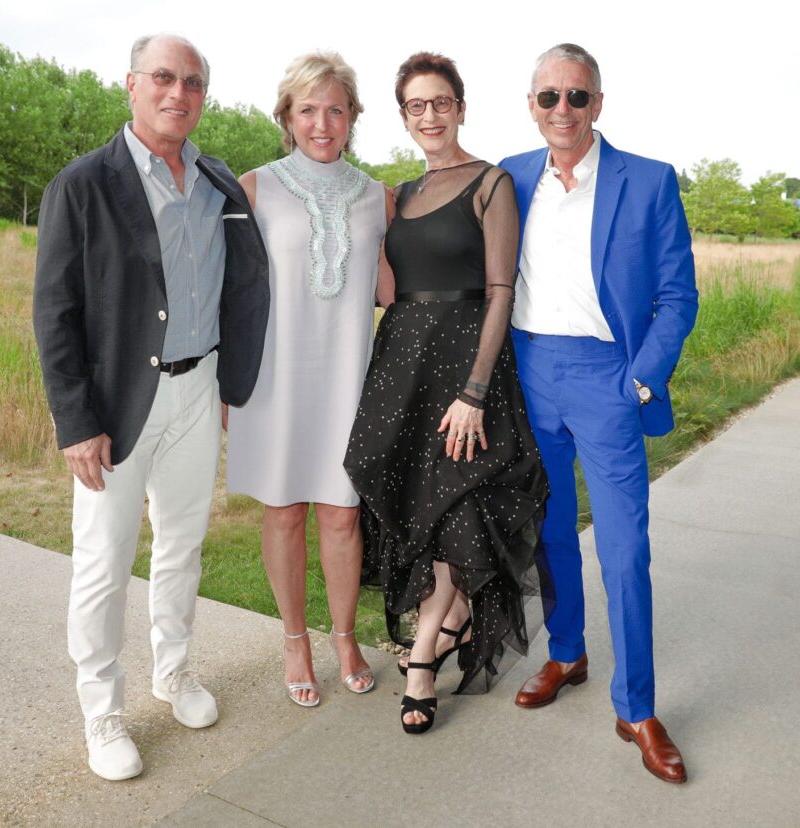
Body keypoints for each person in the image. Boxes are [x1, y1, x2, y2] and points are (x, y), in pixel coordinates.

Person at [33, 34, 269, 781]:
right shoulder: (83, 185)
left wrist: (234, 380)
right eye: (163, 78)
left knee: (182, 547)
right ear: (130, 84)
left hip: (198, 393)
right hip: (116, 403)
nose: (178, 94)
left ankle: (174, 672)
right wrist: (76, 422)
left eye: (192, 82)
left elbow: (242, 282)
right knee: (103, 564)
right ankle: (101, 712)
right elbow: (54, 312)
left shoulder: (216, 180)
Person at [500, 43, 698, 783]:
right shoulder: (509, 178)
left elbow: (678, 297)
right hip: (530, 373)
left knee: (623, 550)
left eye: (576, 97)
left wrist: (639, 382)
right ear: (531, 105)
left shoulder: (647, 182)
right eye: (548, 97)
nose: (562, 110)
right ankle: (566, 653)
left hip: (608, 379)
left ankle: (637, 706)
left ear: (598, 104)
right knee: (550, 533)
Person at [344, 52, 549, 735]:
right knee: (411, 503)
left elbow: (499, 290)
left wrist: (475, 390)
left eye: (440, 102)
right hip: (403, 365)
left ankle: (425, 656)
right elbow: (384, 287)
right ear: (403, 116)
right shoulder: (397, 193)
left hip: (465, 369)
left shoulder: (490, 184)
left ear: (460, 106)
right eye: (415, 106)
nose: (429, 116)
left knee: (454, 508)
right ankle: (451, 615)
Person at [226, 52, 392, 708]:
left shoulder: (381, 197)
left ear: (352, 117)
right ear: (286, 118)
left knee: (344, 514)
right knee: (285, 510)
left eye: (335, 108)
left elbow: (392, 291)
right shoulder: (255, 187)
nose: (321, 122)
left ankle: (344, 636)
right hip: (275, 377)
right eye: (307, 109)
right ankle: (295, 639)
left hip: (348, 378)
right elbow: (231, 294)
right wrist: (224, 385)